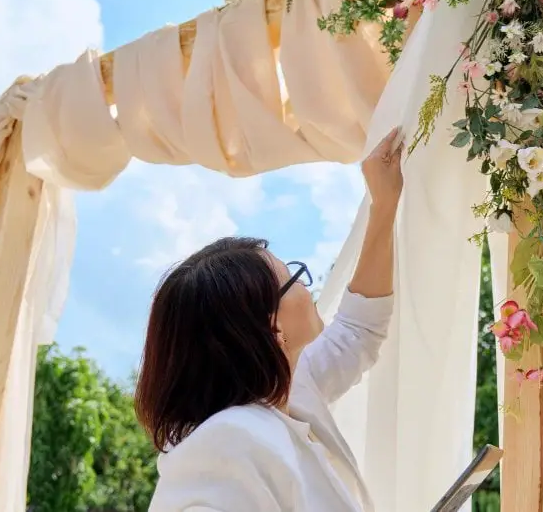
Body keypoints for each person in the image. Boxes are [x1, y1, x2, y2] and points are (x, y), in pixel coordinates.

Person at [137, 128, 405, 512]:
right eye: (293, 277)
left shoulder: (290, 398)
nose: (310, 288)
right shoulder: (226, 442)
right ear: (270, 326)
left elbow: (359, 329)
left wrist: (385, 204)